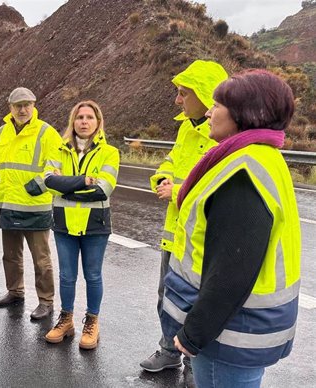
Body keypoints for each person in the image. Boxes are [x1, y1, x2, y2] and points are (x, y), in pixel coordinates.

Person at [163, 69, 301, 388]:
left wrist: (193, 335)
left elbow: (233, 269)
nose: (210, 112)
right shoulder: (259, 157)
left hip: (230, 335)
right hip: (243, 327)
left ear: (243, 113)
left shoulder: (243, 173)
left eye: (218, 105)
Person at [140, 60, 228, 375]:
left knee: (199, 300)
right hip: (174, 232)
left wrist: (176, 191)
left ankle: (194, 361)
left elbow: (217, 186)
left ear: (204, 95)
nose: (177, 100)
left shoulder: (223, 133)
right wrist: (163, 177)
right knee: (169, 295)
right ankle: (169, 351)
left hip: (203, 238)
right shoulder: (184, 128)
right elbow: (171, 159)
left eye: (183, 93)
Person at [43, 100, 119, 349]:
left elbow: (102, 190)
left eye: (89, 117)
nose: (84, 122)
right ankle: (66, 320)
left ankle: (92, 322)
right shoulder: (59, 149)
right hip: (64, 223)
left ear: (98, 122)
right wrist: (82, 181)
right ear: (72, 121)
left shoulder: (110, 152)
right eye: (79, 117)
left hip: (95, 224)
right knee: (66, 276)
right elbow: (49, 181)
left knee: (93, 275)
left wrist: (67, 187)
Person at [0, 87, 63, 320]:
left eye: (27, 105)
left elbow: (56, 166)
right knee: (10, 255)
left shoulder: (46, 133)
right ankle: (15, 291)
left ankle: (46, 301)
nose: (23, 109)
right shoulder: (1, 133)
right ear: (10, 108)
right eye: (18, 105)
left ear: (34, 106)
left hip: (35, 206)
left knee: (41, 259)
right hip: (8, 204)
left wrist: (39, 185)